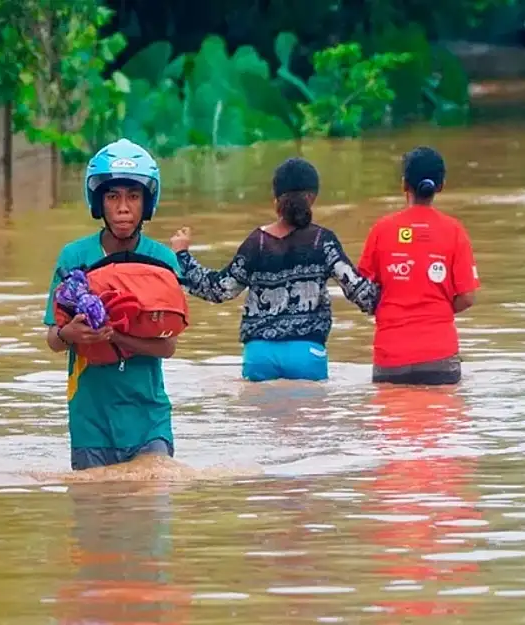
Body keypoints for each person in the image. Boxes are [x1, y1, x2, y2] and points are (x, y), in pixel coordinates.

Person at [170, 157, 381, 382]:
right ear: (312, 198)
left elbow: (219, 290)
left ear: (275, 200)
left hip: (259, 355)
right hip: (306, 354)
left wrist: (182, 255)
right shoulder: (323, 241)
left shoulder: (256, 243)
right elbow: (361, 293)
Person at [43, 138, 181, 472]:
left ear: (146, 203)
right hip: (91, 421)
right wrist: (70, 333)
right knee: (97, 519)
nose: (123, 207)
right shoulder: (73, 258)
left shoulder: (162, 260)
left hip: (149, 418)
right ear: (99, 203)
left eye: (133, 197)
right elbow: (52, 341)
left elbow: (168, 346)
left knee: (149, 516)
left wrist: (115, 338)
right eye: (113, 196)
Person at [356, 147, 479, 385]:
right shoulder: (454, 231)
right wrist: (437, 310)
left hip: (390, 356)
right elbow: (467, 297)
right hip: (439, 356)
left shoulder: (381, 230)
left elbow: (362, 289)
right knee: (442, 421)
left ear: (404, 184)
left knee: (392, 420)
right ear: (441, 186)